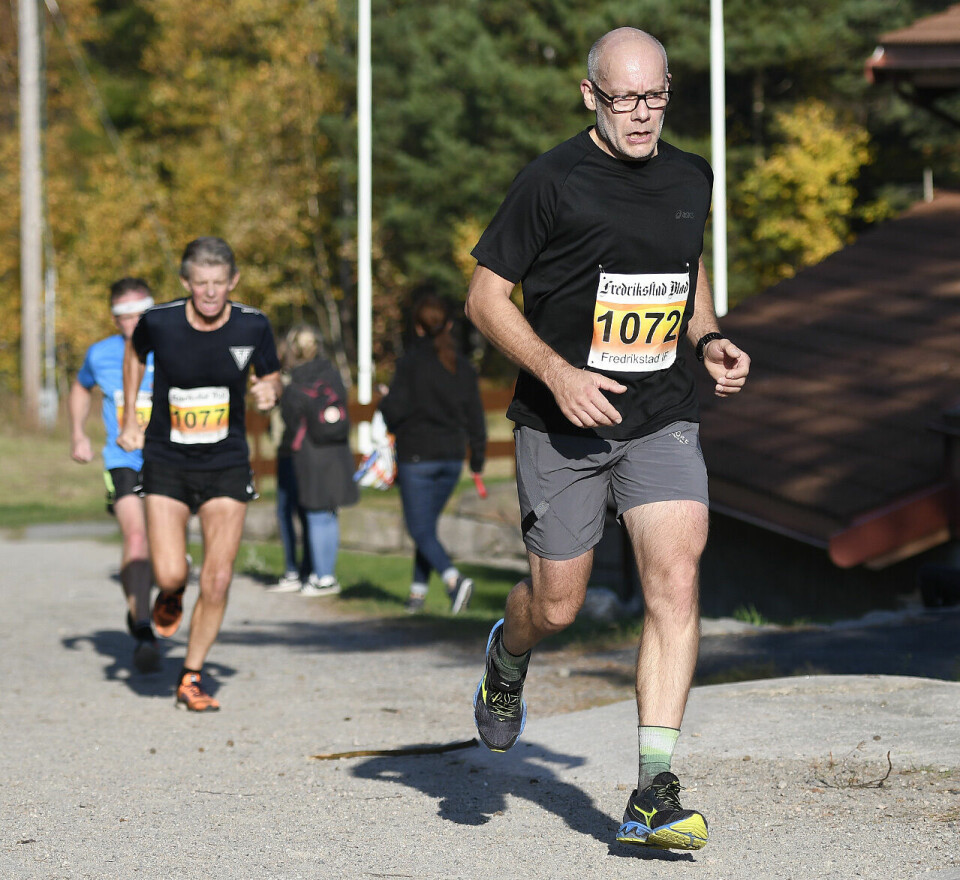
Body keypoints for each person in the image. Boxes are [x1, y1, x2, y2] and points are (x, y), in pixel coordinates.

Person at [464, 28, 750, 850]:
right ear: (590, 95)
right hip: (562, 425)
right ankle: (507, 654)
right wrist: (557, 374)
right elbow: (485, 297)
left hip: (661, 413)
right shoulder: (551, 182)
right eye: (624, 98)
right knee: (558, 605)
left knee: (677, 576)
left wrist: (708, 339)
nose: (642, 115)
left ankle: (653, 791)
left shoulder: (691, 174)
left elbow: (683, 268)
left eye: (656, 97)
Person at [118, 237, 282, 712]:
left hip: (226, 462)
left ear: (233, 282)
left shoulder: (254, 325)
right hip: (167, 459)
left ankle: (191, 674)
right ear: (187, 283)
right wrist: (131, 415)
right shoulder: (160, 322)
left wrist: (268, 392)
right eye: (200, 284)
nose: (210, 293)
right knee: (171, 571)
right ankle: (169, 593)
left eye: (219, 283)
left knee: (217, 579)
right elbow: (134, 355)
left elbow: (269, 374)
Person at [69, 278, 160, 673]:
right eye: (124, 316)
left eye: (140, 314)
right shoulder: (101, 354)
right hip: (122, 459)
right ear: (114, 318)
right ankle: (142, 624)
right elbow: (80, 387)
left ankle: (146, 604)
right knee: (136, 536)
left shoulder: (170, 346)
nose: (133, 322)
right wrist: (78, 434)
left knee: (165, 544)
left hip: (169, 460)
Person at [378, 293, 487, 614]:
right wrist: (477, 460)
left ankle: (454, 580)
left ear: (418, 328)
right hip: (452, 459)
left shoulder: (409, 365)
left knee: (420, 529)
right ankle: (416, 596)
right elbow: (476, 418)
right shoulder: (463, 368)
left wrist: (384, 399)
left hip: (418, 458)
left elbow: (393, 413)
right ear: (450, 325)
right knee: (426, 527)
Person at [276, 324, 358, 596]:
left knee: (315, 517)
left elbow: (290, 421)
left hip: (310, 457)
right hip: (337, 455)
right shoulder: (333, 376)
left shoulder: (295, 384)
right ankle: (325, 574)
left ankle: (323, 577)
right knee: (329, 515)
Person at [267, 331, 312, 593]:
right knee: (290, 511)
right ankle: (297, 569)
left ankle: (299, 569)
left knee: (295, 511)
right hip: (289, 451)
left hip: (294, 452)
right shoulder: (282, 380)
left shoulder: (290, 382)